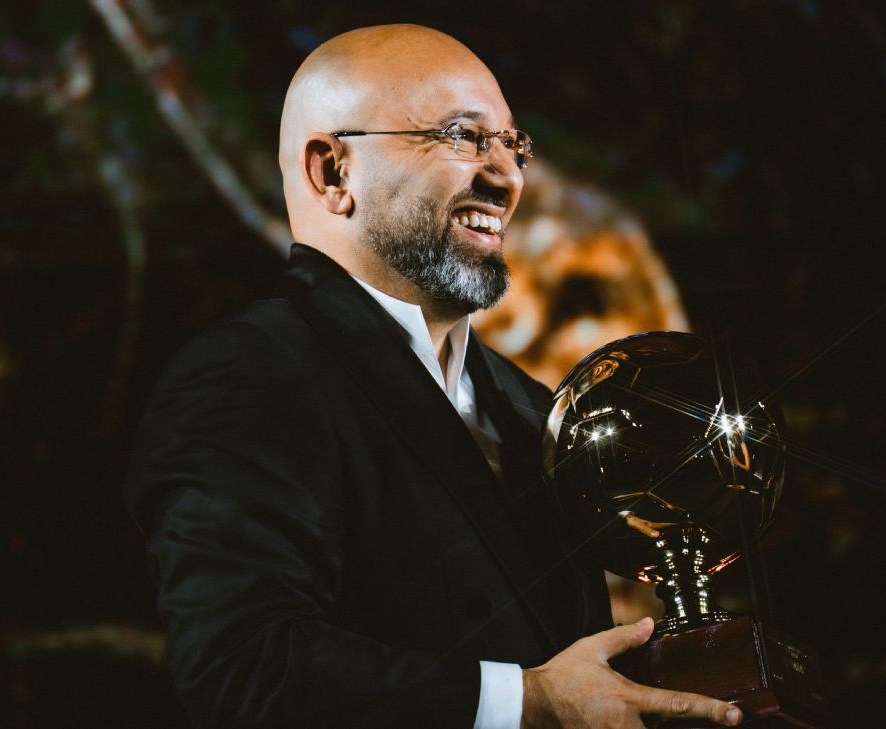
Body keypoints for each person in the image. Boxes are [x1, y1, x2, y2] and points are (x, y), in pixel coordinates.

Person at [125, 24, 743, 729]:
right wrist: (529, 701)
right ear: (333, 173)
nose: (508, 177)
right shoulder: (247, 375)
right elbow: (244, 670)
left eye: (512, 145)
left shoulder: (532, 407)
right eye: (462, 136)